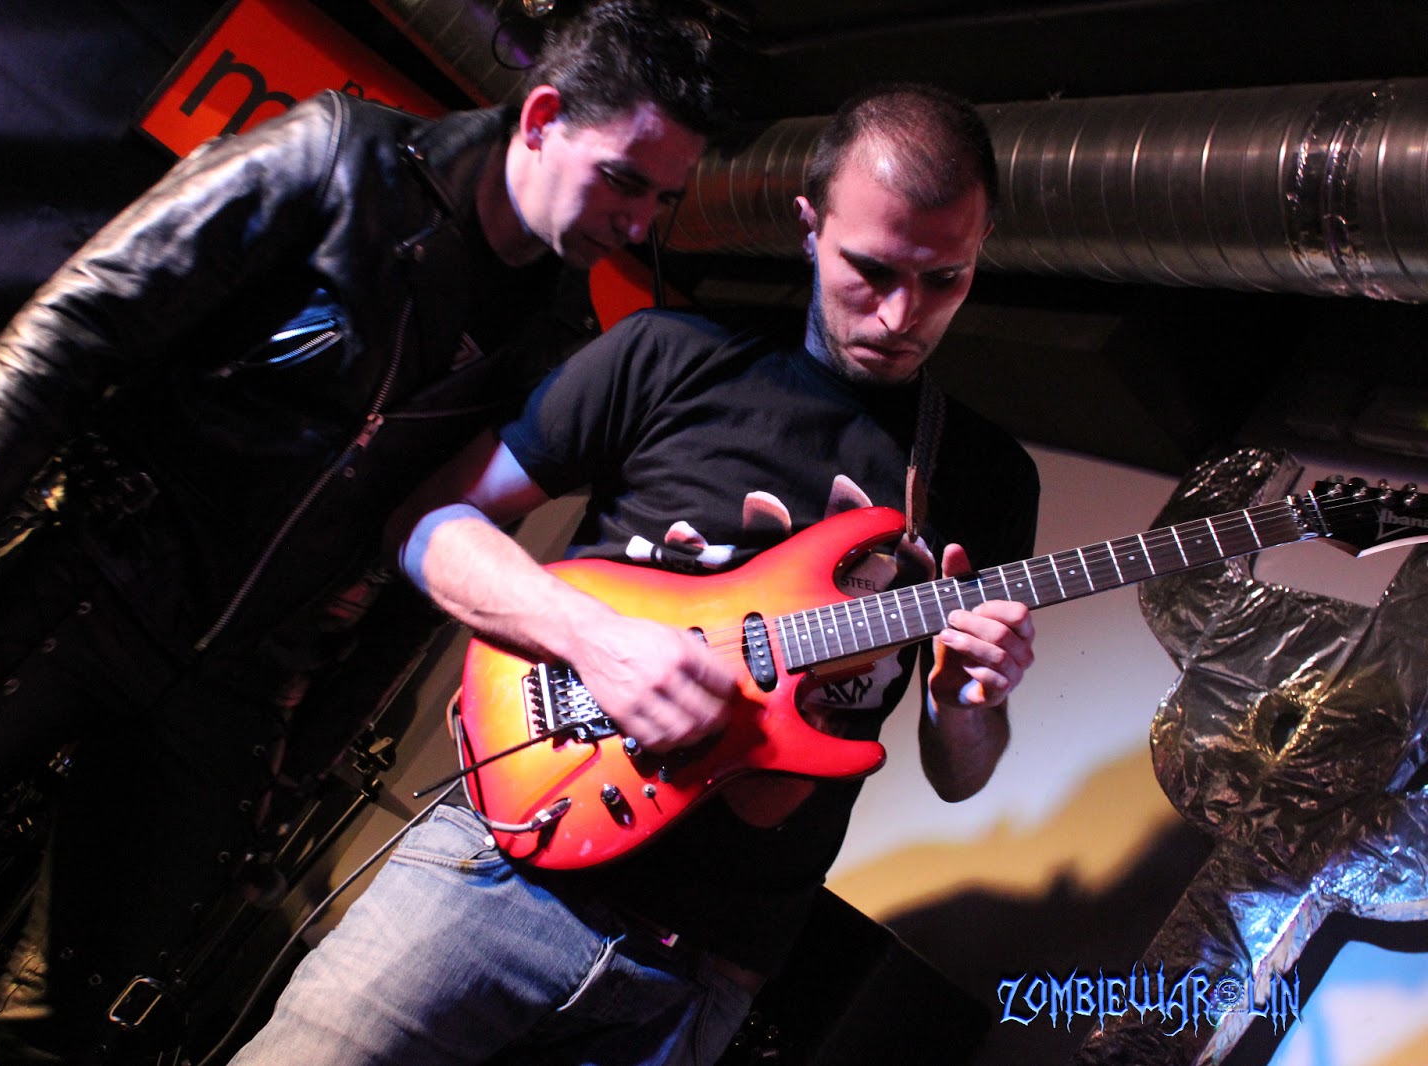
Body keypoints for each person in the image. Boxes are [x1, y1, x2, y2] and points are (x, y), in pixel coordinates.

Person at [0, 2, 724, 1062]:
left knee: (60, 1036)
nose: (637, 223)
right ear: (540, 117)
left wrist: (294, 766)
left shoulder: (553, 340)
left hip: (234, 686)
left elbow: (424, 565)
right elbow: (84, 317)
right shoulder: (343, 157)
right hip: (94, 569)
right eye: (624, 180)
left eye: (661, 200)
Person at [230, 83, 1041, 1066]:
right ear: (809, 226)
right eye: (870, 269)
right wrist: (596, 641)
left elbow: (958, 774)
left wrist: (967, 704)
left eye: (945, 278)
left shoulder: (987, 478)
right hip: (500, 872)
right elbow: (429, 523)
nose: (902, 313)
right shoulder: (668, 355)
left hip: (702, 972)